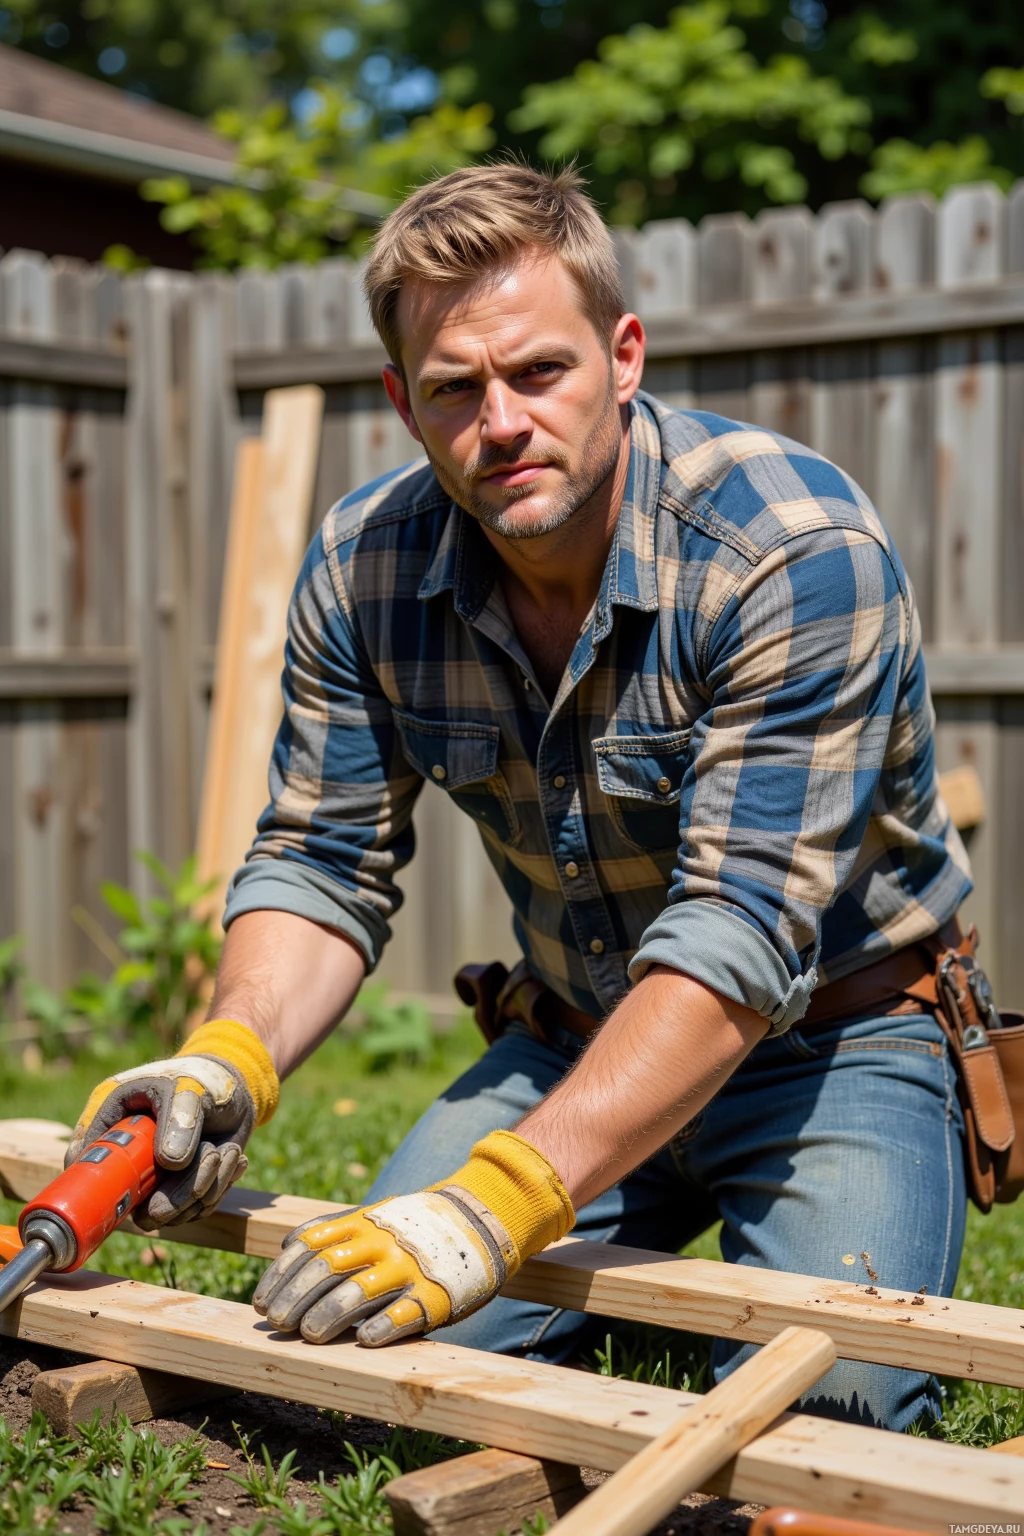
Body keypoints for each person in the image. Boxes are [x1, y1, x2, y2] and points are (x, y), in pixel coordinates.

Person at [69, 162, 973, 1432]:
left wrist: (499, 1201)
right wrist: (231, 1057)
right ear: (403, 403)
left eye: (539, 371)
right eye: (454, 388)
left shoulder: (792, 549)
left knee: (837, 1421)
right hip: (567, 1030)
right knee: (333, 1364)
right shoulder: (363, 565)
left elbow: (740, 931)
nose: (501, 421)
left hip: (834, 1042)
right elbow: (324, 861)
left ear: (623, 356)